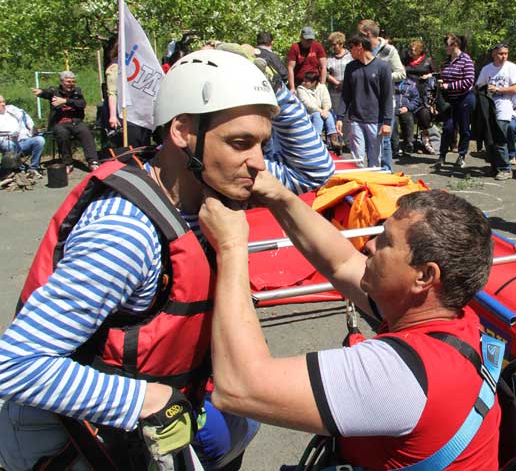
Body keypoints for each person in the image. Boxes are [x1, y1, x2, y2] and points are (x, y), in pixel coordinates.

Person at [0, 49, 335, 471]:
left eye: (262, 144)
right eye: (240, 142)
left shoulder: (215, 186)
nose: (258, 162)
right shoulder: (125, 234)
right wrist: (146, 400)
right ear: (182, 131)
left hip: (162, 411)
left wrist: (275, 92)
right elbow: (16, 364)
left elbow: (313, 173)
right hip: (76, 437)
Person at [200, 184, 500, 469]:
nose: (367, 245)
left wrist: (231, 246)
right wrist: (278, 194)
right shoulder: (451, 319)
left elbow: (239, 386)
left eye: (385, 241)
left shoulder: (399, 374)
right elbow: (340, 262)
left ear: (423, 276)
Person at [358, 19, 406, 171]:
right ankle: (372, 171)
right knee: (368, 141)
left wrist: (382, 76)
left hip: (384, 102)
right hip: (365, 103)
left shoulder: (389, 50)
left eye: (360, 34)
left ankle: (386, 171)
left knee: (384, 140)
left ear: (368, 34)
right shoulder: (360, 50)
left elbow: (401, 73)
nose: (358, 37)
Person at [340, 34, 393, 168]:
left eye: (351, 48)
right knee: (357, 159)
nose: (349, 51)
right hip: (355, 119)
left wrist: (387, 122)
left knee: (375, 160)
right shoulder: (350, 67)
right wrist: (339, 117)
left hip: (375, 120)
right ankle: (359, 187)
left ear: (360, 47)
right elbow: (345, 94)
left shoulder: (383, 66)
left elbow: (387, 96)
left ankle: (373, 187)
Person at [32, 70, 99, 174]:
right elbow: (47, 92)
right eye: (68, 81)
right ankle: (68, 163)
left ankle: (93, 162)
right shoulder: (54, 91)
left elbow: (82, 104)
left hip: (75, 121)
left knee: (86, 133)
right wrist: (40, 92)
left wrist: (66, 101)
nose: (70, 84)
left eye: (72, 81)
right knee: (62, 134)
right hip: (60, 122)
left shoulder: (77, 91)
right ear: (62, 82)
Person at [475, 42, 516, 180]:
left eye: (506, 54)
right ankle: (494, 167)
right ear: (494, 54)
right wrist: (485, 89)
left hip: (504, 107)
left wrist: (498, 89)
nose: (503, 57)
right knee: (489, 139)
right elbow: (478, 85)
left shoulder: (511, 67)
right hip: (488, 107)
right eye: (501, 53)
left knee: (500, 138)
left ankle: (506, 169)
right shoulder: (487, 69)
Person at [437, 33, 475, 169]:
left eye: (447, 45)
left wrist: (450, 85)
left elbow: (469, 80)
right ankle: (442, 155)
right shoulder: (446, 62)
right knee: (447, 127)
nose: (445, 48)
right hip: (449, 100)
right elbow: (444, 76)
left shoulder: (466, 60)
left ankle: (462, 155)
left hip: (465, 98)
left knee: (464, 128)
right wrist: (442, 83)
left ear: (455, 45)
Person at [404, 40, 436, 154]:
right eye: (410, 50)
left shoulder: (428, 61)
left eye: (413, 50)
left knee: (424, 115)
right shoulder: (406, 61)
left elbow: (436, 74)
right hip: (408, 94)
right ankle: (409, 143)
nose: (411, 52)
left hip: (422, 93)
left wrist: (429, 75)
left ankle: (426, 142)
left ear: (419, 50)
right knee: (407, 116)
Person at [296, 70, 342, 150]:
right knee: (318, 115)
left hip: (322, 113)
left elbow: (327, 101)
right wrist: (321, 111)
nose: (304, 82)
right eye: (304, 80)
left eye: (307, 81)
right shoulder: (300, 89)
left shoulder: (322, 87)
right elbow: (308, 104)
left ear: (314, 82)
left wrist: (325, 109)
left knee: (328, 113)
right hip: (308, 114)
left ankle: (333, 139)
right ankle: (318, 138)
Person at [0, 96, 45, 177]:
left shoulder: (12, 110)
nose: (3, 104)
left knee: (39, 140)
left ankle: (33, 168)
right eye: (0, 102)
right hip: (6, 142)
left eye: (3, 101)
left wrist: (32, 128)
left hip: (22, 140)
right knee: (9, 144)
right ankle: (18, 169)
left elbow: (26, 117)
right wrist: (6, 137)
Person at [287, 26, 327, 93]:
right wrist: (292, 88)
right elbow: (290, 68)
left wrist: (322, 86)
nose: (309, 41)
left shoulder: (318, 46)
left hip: (315, 84)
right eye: (307, 39)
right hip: (299, 84)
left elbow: (324, 67)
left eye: (311, 39)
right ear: (301, 37)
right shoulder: (295, 47)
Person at [325, 31, 353, 120]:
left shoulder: (351, 56)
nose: (333, 47)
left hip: (349, 89)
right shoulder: (329, 58)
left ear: (341, 44)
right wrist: (336, 82)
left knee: (349, 115)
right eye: (332, 45)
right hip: (335, 91)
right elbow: (325, 73)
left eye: (334, 44)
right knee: (337, 115)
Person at [392, 77, 422, 156]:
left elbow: (416, 99)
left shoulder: (411, 84)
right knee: (393, 124)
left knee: (408, 121)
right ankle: (394, 149)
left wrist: (408, 107)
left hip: (406, 109)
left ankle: (408, 147)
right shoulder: (389, 82)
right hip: (392, 109)